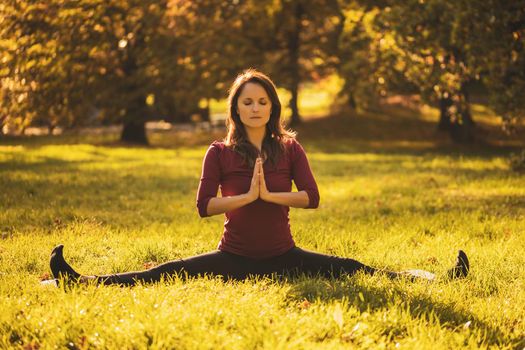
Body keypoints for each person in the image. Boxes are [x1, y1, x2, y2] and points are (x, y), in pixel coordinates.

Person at [48, 69, 469, 287]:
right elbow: (203, 208)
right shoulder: (218, 152)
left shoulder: (290, 148)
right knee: (165, 271)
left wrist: (271, 194)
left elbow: (313, 197)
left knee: (352, 267)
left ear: (272, 107)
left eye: (262, 101)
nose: (254, 108)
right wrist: (247, 197)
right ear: (236, 108)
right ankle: (82, 280)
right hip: (232, 257)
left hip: (284, 256)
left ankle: (435, 276)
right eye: (247, 102)